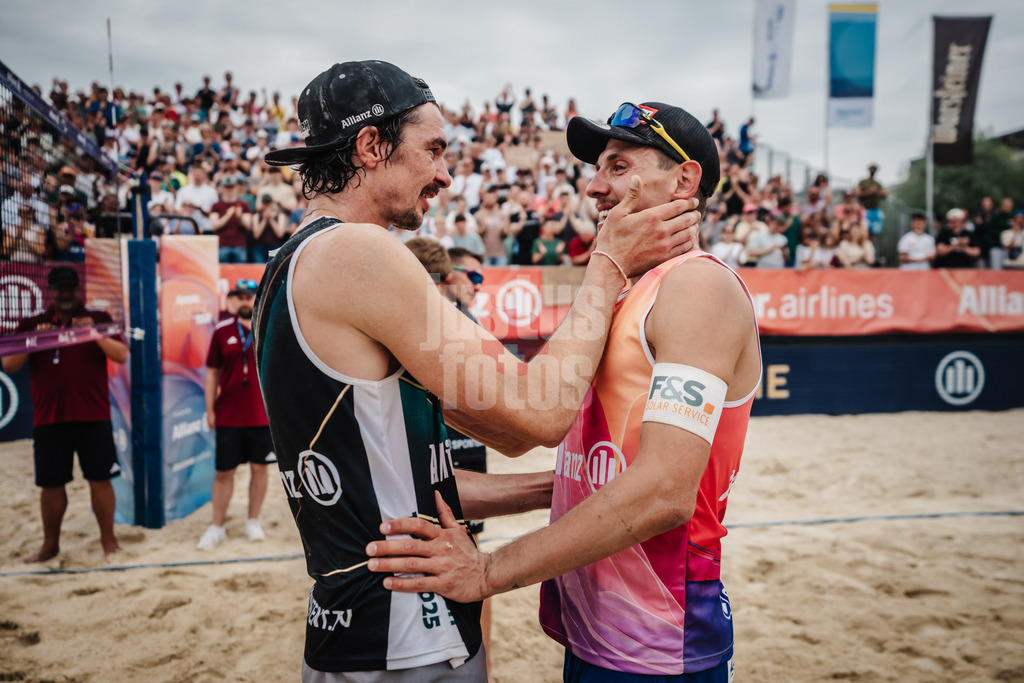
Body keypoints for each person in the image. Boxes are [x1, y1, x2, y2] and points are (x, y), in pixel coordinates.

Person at [252, 61, 700, 680]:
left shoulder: (288, 261)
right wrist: (606, 264)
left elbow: (474, 451)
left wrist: (561, 486)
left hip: (356, 625)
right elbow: (540, 413)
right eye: (432, 149)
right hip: (405, 636)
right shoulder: (359, 252)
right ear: (371, 145)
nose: (445, 175)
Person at [367, 100, 761, 682]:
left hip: (659, 643)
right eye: (597, 169)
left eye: (619, 167)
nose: (595, 188)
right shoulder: (617, 290)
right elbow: (531, 428)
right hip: (595, 633)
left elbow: (664, 493)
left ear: (684, 179)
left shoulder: (697, 285)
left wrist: (488, 571)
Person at [2, 266, 128, 562]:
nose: (66, 294)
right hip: (49, 419)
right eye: (60, 289)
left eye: (71, 288)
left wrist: (92, 334)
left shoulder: (98, 319)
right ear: (51, 292)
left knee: (100, 479)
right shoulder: (33, 323)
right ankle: (50, 545)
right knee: (50, 484)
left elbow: (121, 355)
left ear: (77, 290)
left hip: (93, 415)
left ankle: (109, 542)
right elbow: (9, 366)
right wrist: (35, 339)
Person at [196, 280, 275, 550]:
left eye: (249, 297)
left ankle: (253, 521)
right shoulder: (221, 332)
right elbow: (211, 373)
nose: (244, 302)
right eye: (239, 297)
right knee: (223, 472)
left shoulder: (268, 328)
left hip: (261, 416)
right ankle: (217, 526)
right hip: (228, 414)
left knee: (259, 468)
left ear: (257, 299)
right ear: (232, 301)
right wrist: (209, 409)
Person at [855, 163, 888, 238]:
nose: (873, 171)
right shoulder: (863, 182)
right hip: (864, 209)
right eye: (872, 169)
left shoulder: (877, 184)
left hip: (874, 210)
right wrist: (870, 191)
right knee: (863, 231)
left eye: (874, 169)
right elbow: (857, 193)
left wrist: (877, 192)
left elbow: (885, 195)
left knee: (874, 232)